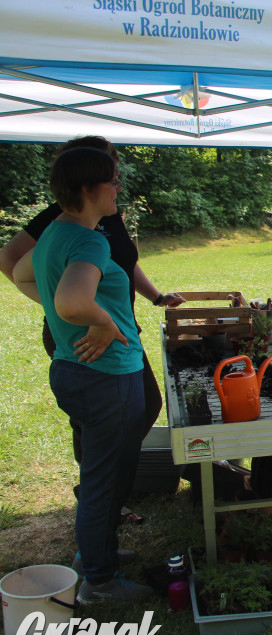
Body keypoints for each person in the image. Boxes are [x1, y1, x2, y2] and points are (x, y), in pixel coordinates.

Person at [0, 135, 183, 527]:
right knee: (106, 418)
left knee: (139, 408)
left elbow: (124, 260)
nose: (118, 184)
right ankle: (100, 496)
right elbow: (14, 262)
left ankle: (102, 490)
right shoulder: (65, 222)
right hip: (88, 337)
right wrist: (78, 312)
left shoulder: (103, 218)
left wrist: (154, 296)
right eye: (111, 174)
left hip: (114, 332)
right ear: (86, 180)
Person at [11, 147, 154, 603]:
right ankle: (99, 581)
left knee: (103, 473)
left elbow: (21, 274)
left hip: (77, 370)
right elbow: (72, 300)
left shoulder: (55, 232)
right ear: (89, 189)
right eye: (112, 180)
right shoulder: (91, 240)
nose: (118, 188)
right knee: (103, 481)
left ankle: (97, 554)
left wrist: (64, 319)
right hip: (106, 376)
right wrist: (104, 322)